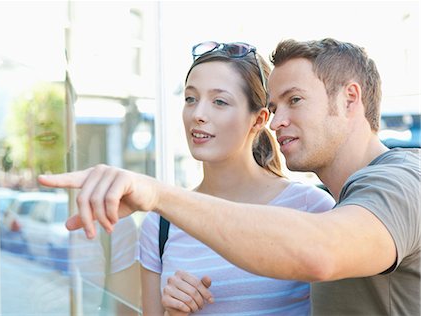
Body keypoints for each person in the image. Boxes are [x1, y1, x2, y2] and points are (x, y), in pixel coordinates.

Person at [38, 38, 421, 315]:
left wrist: (156, 193)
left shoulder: (399, 181)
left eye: (295, 100)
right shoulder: (348, 202)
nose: (279, 119)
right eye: (190, 99)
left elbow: (318, 252)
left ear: (350, 99)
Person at [139, 41, 335, 314]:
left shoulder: (312, 208)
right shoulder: (160, 224)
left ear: (259, 119)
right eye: (190, 99)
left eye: (219, 101)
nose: (198, 114)